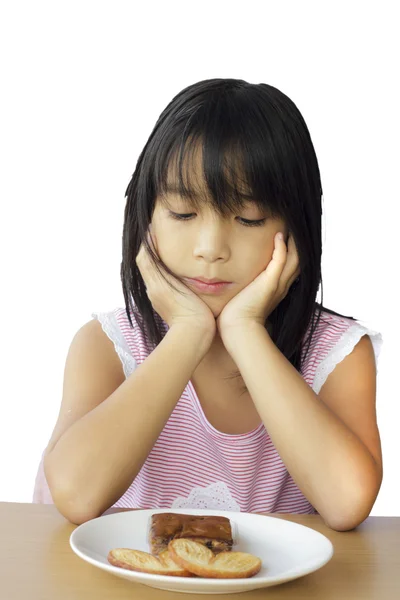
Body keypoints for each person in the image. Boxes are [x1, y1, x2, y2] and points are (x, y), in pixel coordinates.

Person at [32, 78, 383, 531]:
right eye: (183, 213)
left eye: (248, 218)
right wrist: (187, 333)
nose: (211, 247)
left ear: (297, 227)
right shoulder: (109, 345)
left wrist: (245, 332)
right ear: (145, 217)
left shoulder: (334, 353)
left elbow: (347, 502)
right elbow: (76, 495)